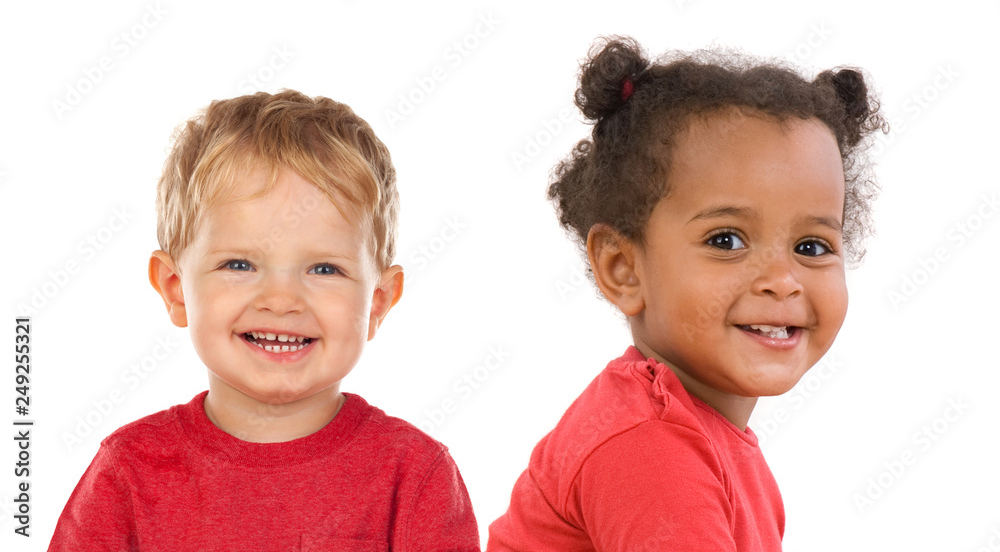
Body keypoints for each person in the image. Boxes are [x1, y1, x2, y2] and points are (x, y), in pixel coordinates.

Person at [488, 36, 886, 551]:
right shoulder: (646, 445)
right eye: (726, 241)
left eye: (811, 247)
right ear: (623, 268)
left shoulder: (703, 439)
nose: (782, 280)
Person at [49, 90, 481, 551]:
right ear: (175, 289)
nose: (281, 300)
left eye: (324, 269)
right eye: (239, 265)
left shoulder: (414, 475)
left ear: (377, 301)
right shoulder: (127, 471)